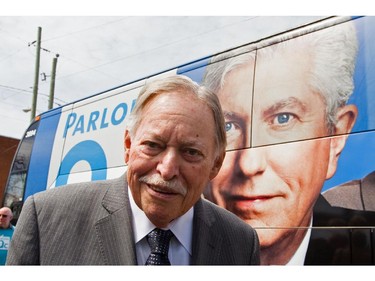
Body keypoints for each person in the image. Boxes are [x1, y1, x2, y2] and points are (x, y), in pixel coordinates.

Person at [6, 75, 260, 265]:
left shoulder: (241, 243)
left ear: (215, 164)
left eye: (191, 152)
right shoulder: (46, 220)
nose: (168, 169)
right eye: (153, 145)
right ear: (128, 146)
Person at [202, 19, 375, 265]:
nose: (249, 164)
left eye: (283, 119)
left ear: (336, 137)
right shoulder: (174, 244)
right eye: (228, 126)